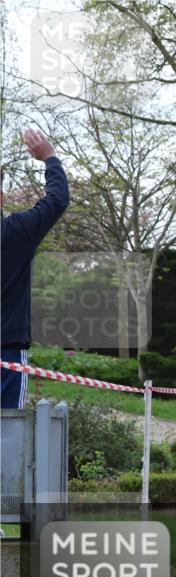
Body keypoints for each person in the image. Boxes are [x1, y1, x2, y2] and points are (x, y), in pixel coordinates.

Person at [2, 129, 70, 409]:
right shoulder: (14, 233)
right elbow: (56, 200)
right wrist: (50, 158)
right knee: (7, 437)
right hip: (7, 352)